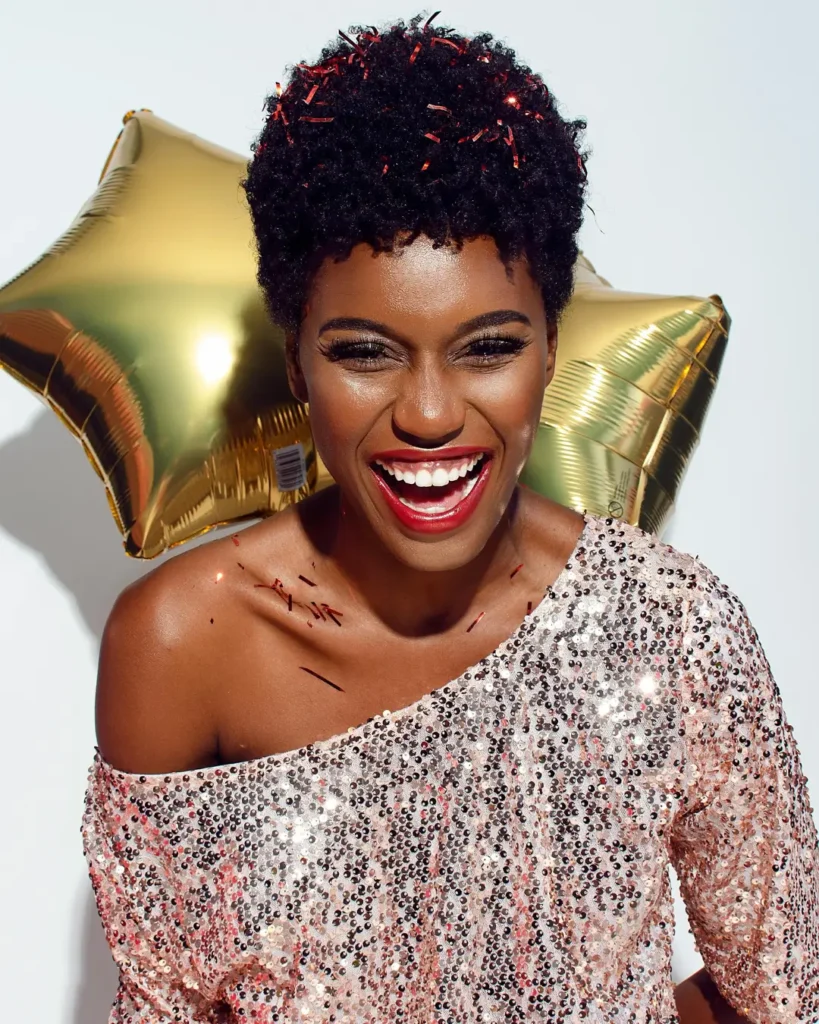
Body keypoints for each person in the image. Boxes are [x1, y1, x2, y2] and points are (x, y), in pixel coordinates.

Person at [80, 12, 818, 1024]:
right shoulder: (180, 644)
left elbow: (782, 993)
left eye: (487, 346)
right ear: (295, 356)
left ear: (553, 347)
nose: (429, 414)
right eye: (365, 350)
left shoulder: (674, 635)